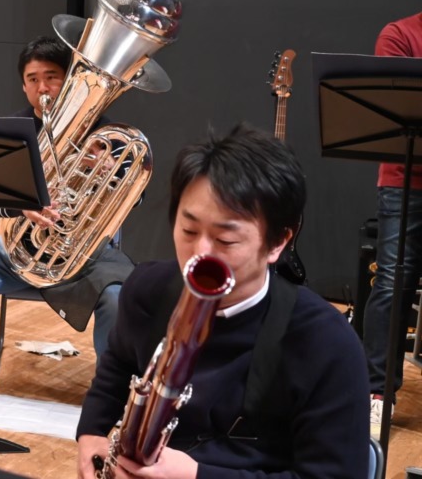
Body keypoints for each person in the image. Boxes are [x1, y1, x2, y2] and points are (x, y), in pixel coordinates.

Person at [76, 124, 369, 479]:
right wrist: (91, 431)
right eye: (189, 230)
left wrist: (196, 476)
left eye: (226, 240)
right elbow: (118, 366)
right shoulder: (147, 290)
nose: (200, 253)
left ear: (278, 242)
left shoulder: (327, 342)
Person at [0, 35, 134, 400]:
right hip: (15, 252)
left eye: (52, 77)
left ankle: (110, 388)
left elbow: (135, 199)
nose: (42, 87)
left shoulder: (105, 133)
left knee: (116, 298)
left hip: (83, 259)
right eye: (33, 79)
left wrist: (112, 174)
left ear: (70, 81)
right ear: (23, 86)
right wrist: (20, 206)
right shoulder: (10, 131)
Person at [362, 0, 422, 439]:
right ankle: (377, 394)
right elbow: (397, 103)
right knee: (392, 282)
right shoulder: (399, 35)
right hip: (408, 181)